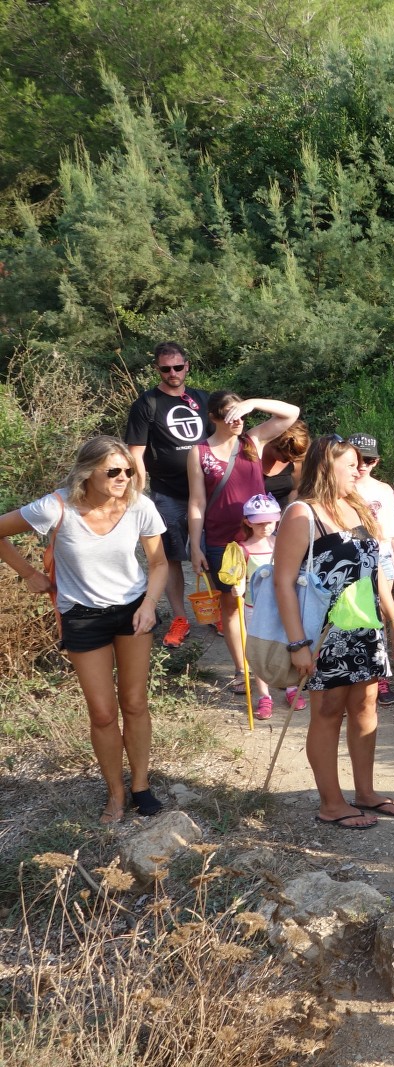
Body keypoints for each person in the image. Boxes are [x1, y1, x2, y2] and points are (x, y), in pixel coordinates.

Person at [0, 436, 169, 822]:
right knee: (104, 713)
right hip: (82, 616)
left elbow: (159, 564)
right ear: (87, 472)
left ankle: (141, 785)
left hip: (133, 611)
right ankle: (115, 795)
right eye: (112, 471)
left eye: (127, 470)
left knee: (136, 702)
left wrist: (148, 606)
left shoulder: (138, 505)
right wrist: (27, 574)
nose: (123, 477)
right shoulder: (55, 506)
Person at [275, 435, 394, 830]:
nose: (359, 469)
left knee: (366, 709)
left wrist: (393, 618)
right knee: (328, 713)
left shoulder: (358, 506)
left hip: (365, 627)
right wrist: (298, 644)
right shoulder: (302, 514)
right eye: (350, 464)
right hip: (325, 633)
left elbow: (377, 569)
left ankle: (365, 793)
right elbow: (283, 583)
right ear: (326, 466)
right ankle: (331, 803)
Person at [187, 391, 300, 701]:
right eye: (229, 415)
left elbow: (291, 412)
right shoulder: (199, 453)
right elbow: (196, 501)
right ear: (213, 418)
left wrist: (253, 403)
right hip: (221, 540)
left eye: (240, 415)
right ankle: (243, 671)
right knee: (232, 606)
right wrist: (195, 546)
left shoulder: (253, 442)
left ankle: (281, 667)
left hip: (262, 538)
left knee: (274, 599)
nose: (237, 421)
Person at [124, 342, 209, 649]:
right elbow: (136, 454)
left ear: (187, 366)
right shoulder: (147, 403)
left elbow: (219, 441)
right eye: (165, 368)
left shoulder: (201, 399)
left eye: (177, 367)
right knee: (171, 557)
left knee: (212, 551)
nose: (172, 373)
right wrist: (138, 495)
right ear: (157, 369)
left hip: (207, 492)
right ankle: (179, 616)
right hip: (167, 493)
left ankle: (218, 613)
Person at [347, 433, 394, 707]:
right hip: (350, 557)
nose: (362, 466)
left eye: (368, 460)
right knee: (354, 616)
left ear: (376, 462)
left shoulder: (383, 490)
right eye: (357, 459)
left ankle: (379, 676)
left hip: (381, 556)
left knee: (382, 617)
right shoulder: (341, 489)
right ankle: (351, 676)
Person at [236, 493, 284, 719]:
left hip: (281, 605)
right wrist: (236, 586)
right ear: (248, 521)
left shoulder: (282, 543)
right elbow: (235, 575)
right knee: (259, 650)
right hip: (254, 607)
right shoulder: (242, 549)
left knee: (284, 645)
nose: (266, 526)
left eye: (270, 521)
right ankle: (264, 695)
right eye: (260, 522)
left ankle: (291, 686)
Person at [261, 420, 310, 511]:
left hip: (281, 518)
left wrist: (287, 512)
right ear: (276, 446)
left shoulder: (295, 462)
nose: (291, 460)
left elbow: (294, 490)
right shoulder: (253, 456)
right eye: (286, 458)